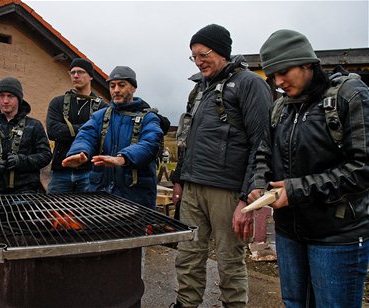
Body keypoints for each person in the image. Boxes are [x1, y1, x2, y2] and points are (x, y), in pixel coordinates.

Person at [248, 29, 369, 307]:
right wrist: (258, 184)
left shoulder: (349, 96)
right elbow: (264, 154)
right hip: (290, 232)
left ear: (306, 62)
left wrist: (297, 190)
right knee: (295, 303)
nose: (278, 82)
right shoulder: (280, 108)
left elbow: (363, 168)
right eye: (272, 76)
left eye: (284, 72)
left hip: (337, 235)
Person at [172, 24, 272, 307]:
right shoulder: (199, 90)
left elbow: (262, 142)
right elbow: (187, 138)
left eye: (203, 54)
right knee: (188, 253)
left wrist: (247, 198)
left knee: (229, 258)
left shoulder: (249, 84)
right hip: (193, 186)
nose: (199, 61)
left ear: (222, 52)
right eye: (194, 57)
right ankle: (186, 303)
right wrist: (180, 178)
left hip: (227, 190)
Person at [62, 66, 163, 209]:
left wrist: (122, 158)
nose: (116, 90)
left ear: (133, 88)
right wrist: (80, 152)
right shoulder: (100, 116)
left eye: (121, 85)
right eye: (112, 85)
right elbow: (86, 135)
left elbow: (150, 144)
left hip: (136, 197)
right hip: (101, 196)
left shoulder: (149, 118)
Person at [46, 58, 107, 193]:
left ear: (91, 76)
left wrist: (67, 130)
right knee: (54, 211)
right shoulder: (58, 102)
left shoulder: (103, 107)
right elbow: (53, 132)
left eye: (80, 72)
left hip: (89, 171)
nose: (75, 76)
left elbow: (102, 137)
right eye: (72, 72)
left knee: (89, 213)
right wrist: (88, 130)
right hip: (61, 171)